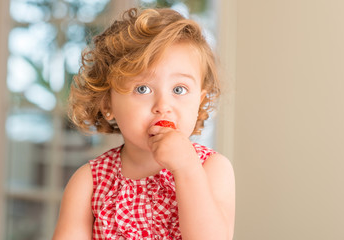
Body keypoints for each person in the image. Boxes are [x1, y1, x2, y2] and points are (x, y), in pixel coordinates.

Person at [52, 7, 235, 240]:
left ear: (199, 102)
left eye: (179, 89)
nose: (163, 105)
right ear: (107, 104)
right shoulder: (88, 183)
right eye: (143, 89)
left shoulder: (213, 169)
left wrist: (187, 168)